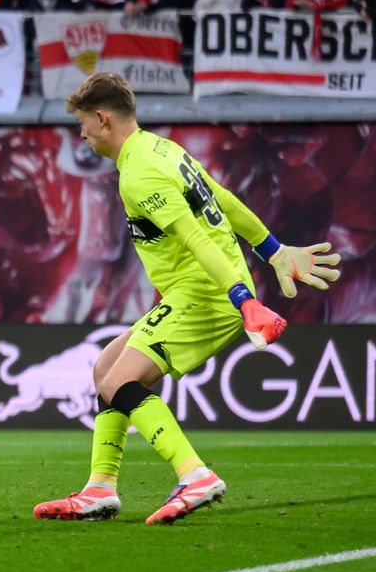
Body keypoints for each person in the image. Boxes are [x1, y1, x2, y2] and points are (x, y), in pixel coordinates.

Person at [37, 73, 341, 524]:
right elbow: (222, 199)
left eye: (82, 124)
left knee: (119, 383)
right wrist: (273, 250)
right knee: (106, 368)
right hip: (200, 288)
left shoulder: (139, 174)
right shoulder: (161, 149)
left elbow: (196, 238)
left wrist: (244, 300)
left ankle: (193, 474)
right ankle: (100, 488)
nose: (81, 135)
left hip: (207, 291)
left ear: (102, 118)